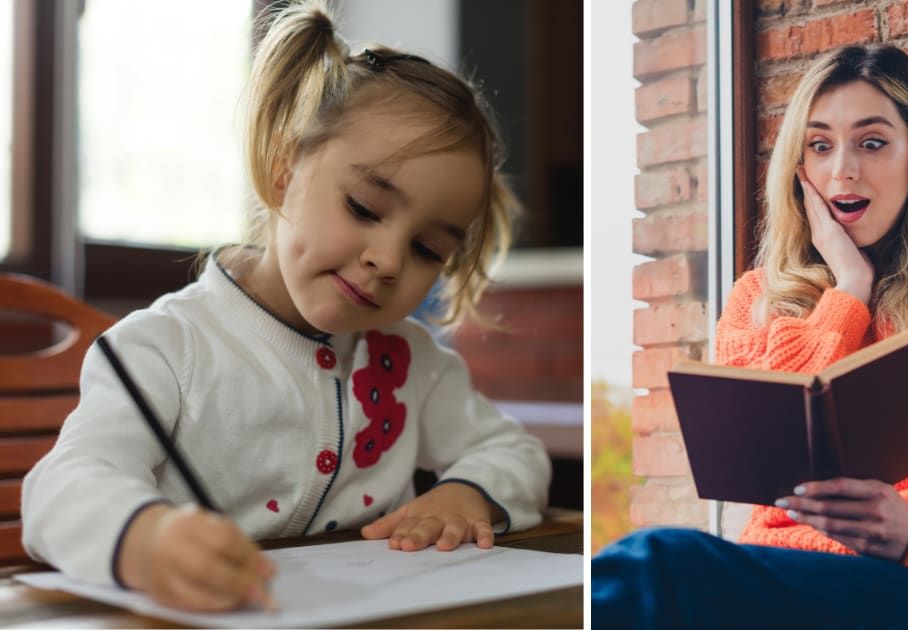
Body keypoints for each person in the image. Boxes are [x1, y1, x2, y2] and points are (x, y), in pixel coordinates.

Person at [21, 0, 550, 612]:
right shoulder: (163, 348)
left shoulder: (415, 361)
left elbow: (515, 452)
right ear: (283, 171)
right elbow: (57, 490)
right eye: (363, 208)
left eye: (428, 249)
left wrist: (468, 493)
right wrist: (144, 539)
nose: (388, 259)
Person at [593, 43, 908, 629]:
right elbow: (763, 464)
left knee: (655, 566)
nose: (843, 172)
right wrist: (847, 292)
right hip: (794, 583)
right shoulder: (757, 298)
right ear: (799, 167)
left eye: (873, 143)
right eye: (820, 146)